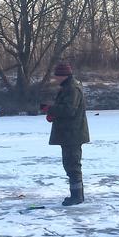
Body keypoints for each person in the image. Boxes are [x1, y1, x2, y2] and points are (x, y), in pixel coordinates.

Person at [43, 61, 90, 206]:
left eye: (57, 76)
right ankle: (77, 195)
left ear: (63, 75)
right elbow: (67, 109)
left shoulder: (72, 88)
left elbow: (69, 110)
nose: (55, 78)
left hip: (72, 134)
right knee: (70, 164)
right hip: (70, 133)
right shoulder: (69, 87)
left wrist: (50, 109)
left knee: (72, 164)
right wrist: (53, 113)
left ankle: (76, 196)